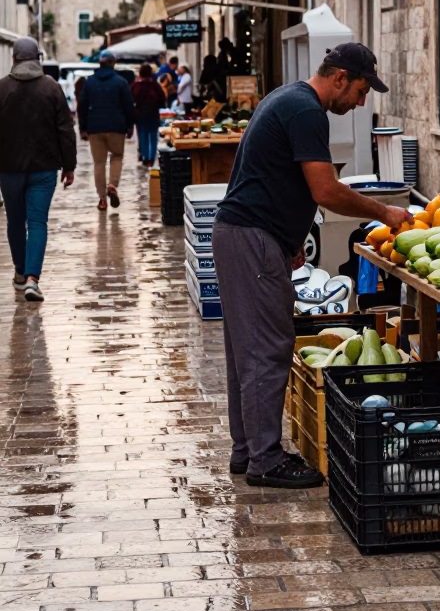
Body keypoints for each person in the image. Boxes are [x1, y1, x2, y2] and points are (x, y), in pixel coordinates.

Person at [213, 42, 412, 489]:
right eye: (361, 91)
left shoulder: (286, 98)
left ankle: (246, 451)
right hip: (252, 240)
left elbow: (267, 174)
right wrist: (385, 213)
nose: (361, 102)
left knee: (246, 351)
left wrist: (290, 237)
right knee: (269, 348)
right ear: (339, 78)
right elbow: (325, 189)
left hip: (247, 237)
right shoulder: (307, 111)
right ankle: (265, 460)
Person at [0, 37, 76, 302]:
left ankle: (20, 273)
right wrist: (69, 166)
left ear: (14, 59)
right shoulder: (51, 88)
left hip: (8, 168)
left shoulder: (2, 88)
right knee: (37, 221)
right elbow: (66, 130)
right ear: (38, 59)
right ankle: (33, 279)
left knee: (14, 222)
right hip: (44, 168)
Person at [78, 50, 135, 211]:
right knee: (117, 157)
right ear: (113, 63)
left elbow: (81, 106)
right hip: (117, 126)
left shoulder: (89, 82)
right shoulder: (121, 82)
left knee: (99, 163)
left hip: (95, 128)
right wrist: (130, 125)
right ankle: (112, 184)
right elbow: (129, 106)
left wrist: (83, 127)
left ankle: (102, 199)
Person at [131, 63, 164, 167]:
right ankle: (151, 159)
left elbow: (130, 100)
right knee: (153, 137)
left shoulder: (135, 85)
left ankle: (145, 157)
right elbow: (162, 99)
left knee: (142, 136)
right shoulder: (155, 85)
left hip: (140, 115)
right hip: (153, 114)